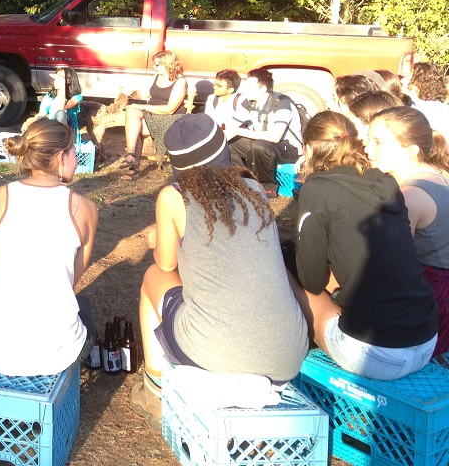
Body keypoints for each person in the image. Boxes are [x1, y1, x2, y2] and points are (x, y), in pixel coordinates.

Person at [130, 114, 308, 430]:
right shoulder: (253, 187)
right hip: (287, 358)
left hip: (213, 356)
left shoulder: (173, 196)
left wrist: (156, 239)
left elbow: (167, 263)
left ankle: (154, 392)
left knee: (152, 279)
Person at [294, 111, 437, 380]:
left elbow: (311, 281)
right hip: (427, 339)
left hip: (376, 355)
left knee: (291, 272)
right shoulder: (386, 182)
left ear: (309, 149)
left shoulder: (317, 189)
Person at [0, 117, 98, 375]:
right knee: (85, 307)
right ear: (60, 157)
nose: (75, 158)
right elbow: (70, 280)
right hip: (56, 353)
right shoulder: (85, 208)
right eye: (73, 152)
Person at [367, 106, 449, 355]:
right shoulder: (440, 174)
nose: (368, 149)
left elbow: (390, 266)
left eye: (378, 142)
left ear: (411, 151)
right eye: (368, 139)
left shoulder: (410, 196)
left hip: (433, 299)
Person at [227, 68, 302, 191]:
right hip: (263, 142)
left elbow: (275, 137)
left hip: (288, 148)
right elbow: (233, 125)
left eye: (249, 85)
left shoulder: (282, 102)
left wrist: (238, 131)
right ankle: (245, 179)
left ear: (262, 89)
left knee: (260, 146)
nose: (245, 89)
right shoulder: (249, 102)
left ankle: (267, 187)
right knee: (230, 143)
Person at [120, 51, 188, 179]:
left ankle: (133, 166)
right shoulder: (157, 76)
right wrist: (131, 93)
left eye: (157, 65)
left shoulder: (180, 81)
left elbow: (170, 109)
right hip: (152, 115)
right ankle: (130, 155)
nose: (154, 67)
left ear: (167, 65)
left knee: (135, 125)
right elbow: (140, 94)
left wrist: (142, 106)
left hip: (171, 120)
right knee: (132, 113)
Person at [38, 66, 83, 142]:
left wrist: (62, 87)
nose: (56, 81)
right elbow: (41, 116)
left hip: (69, 134)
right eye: (56, 78)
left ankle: (62, 141)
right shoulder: (48, 97)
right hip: (52, 130)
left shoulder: (77, 97)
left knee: (60, 114)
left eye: (60, 78)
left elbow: (61, 107)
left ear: (69, 81)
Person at [405, 62, 449, 139]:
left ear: (420, 84)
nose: (402, 80)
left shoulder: (431, 111)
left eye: (408, 78)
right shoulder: (417, 106)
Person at [203, 69, 248, 137]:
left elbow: (235, 124)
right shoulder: (212, 98)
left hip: (236, 137)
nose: (214, 87)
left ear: (230, 90)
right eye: (215, 84)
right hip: (215, 133)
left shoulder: (240, 100)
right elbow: (208, 120)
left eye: (219, 86)